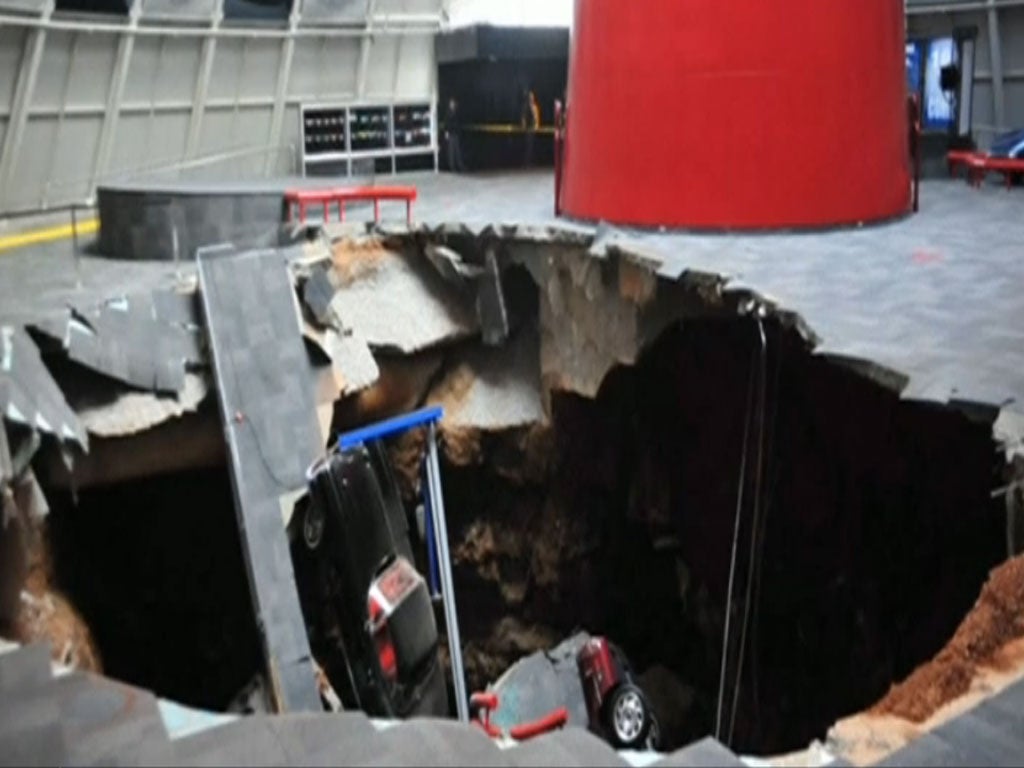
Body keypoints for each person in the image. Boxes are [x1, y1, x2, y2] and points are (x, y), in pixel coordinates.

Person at [443, 98, 466, 173]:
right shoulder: (448, 113)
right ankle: (452, 166)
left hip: (455, 133)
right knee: (451, 151)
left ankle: (459, 165)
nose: (453, 105)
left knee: (457, 150)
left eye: (453, 103)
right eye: (452, 103)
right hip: (451, 133)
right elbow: (446, 123)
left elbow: (458, 122)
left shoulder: (456, 112)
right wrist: (446, 132)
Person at [521, 88, 540, 167]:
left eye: (532, 97)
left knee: (532, 146)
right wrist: (524, 125)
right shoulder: (526, 106)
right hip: (528, 129)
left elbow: (537, 117)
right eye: (530, 97)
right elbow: (523, 117)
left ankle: (530, 161)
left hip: (532, 128)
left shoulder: (534, 106)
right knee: (528, 146)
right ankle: (527, 162)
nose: (531, 98)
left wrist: (536, 125)